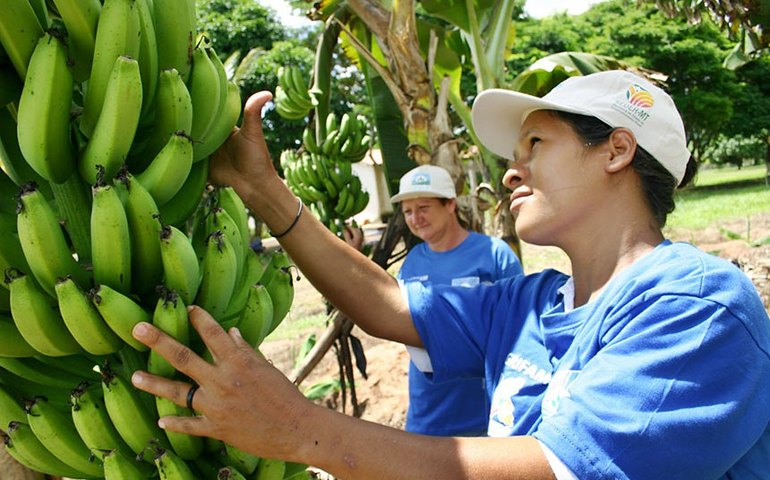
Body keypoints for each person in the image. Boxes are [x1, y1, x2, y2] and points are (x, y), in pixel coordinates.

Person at [130, 70, 770, 479]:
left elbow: (558, 469)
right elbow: (387, 303)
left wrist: (300, 429)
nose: (511, 172)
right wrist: (263, 190)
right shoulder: (528, 303)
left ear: (617, 150)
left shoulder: (696, 305)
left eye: (536, 145)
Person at [389, 164, 523, 436]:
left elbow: (518, 329)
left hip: (485, 413)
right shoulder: (412, 262)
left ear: (450, 204)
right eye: (408, 211)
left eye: (423, 208)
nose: (415, 218)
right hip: (428, 412)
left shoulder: (495, 254)